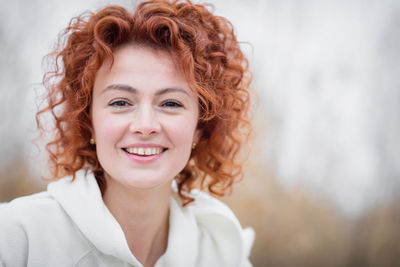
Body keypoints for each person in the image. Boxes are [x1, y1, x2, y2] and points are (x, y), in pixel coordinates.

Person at [0, 0, 254, 266]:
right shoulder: (16, 239)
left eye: (170, 103)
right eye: (120, 102)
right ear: (88, 121)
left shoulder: (221, 248)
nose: (145, 125)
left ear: (200, 127)